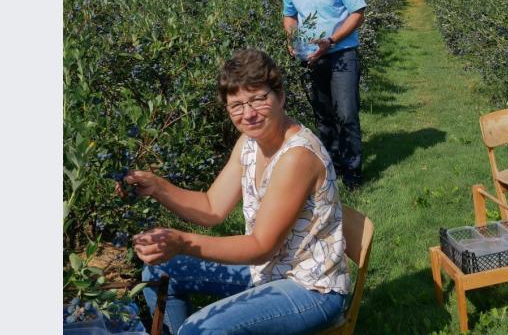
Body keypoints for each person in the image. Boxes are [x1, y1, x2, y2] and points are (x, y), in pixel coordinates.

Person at [117, 49, 349, 334]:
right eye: (236, 105)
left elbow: (261, 246)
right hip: (268, 271)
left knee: (198, 330)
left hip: (311, 288)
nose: (248, 114)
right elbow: (212, 207)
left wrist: (182, 242)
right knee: (159, 272)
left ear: (280, 97)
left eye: (259, 99)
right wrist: (158, 187)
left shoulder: (297, 156)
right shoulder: (249, 143)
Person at [283, 0, 367, 189]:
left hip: (341, 52)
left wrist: (331, 40)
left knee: (346, 113)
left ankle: (353, 173)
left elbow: (357, 13)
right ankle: (333, 167)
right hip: (311, 56)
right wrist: (291, 37)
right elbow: (289, 13)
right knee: (323, 115)